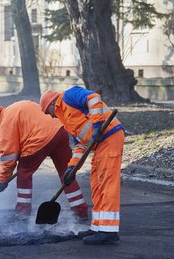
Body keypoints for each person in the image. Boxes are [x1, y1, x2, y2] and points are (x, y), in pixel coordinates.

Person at [40, 86, 124, 245]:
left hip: (109, 137)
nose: (49, 116)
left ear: (51, 105)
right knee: (97, 185)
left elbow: (93, 97)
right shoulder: (65, 119)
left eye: (47, 112)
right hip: (99, 145)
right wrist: (72, 168)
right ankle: (98, 227)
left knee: (107, 184)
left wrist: (98, 125)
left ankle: (109, 231)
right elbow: (80, 146)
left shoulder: (69, 96)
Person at [0, 101, 88, 220]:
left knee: (24, 174)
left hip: (40, 139)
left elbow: (9, 158)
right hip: (59, 131)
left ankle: (22, 213)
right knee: (67, 173)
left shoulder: (6, 122)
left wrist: (3, 180)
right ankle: (80, 211)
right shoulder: (17, 106)